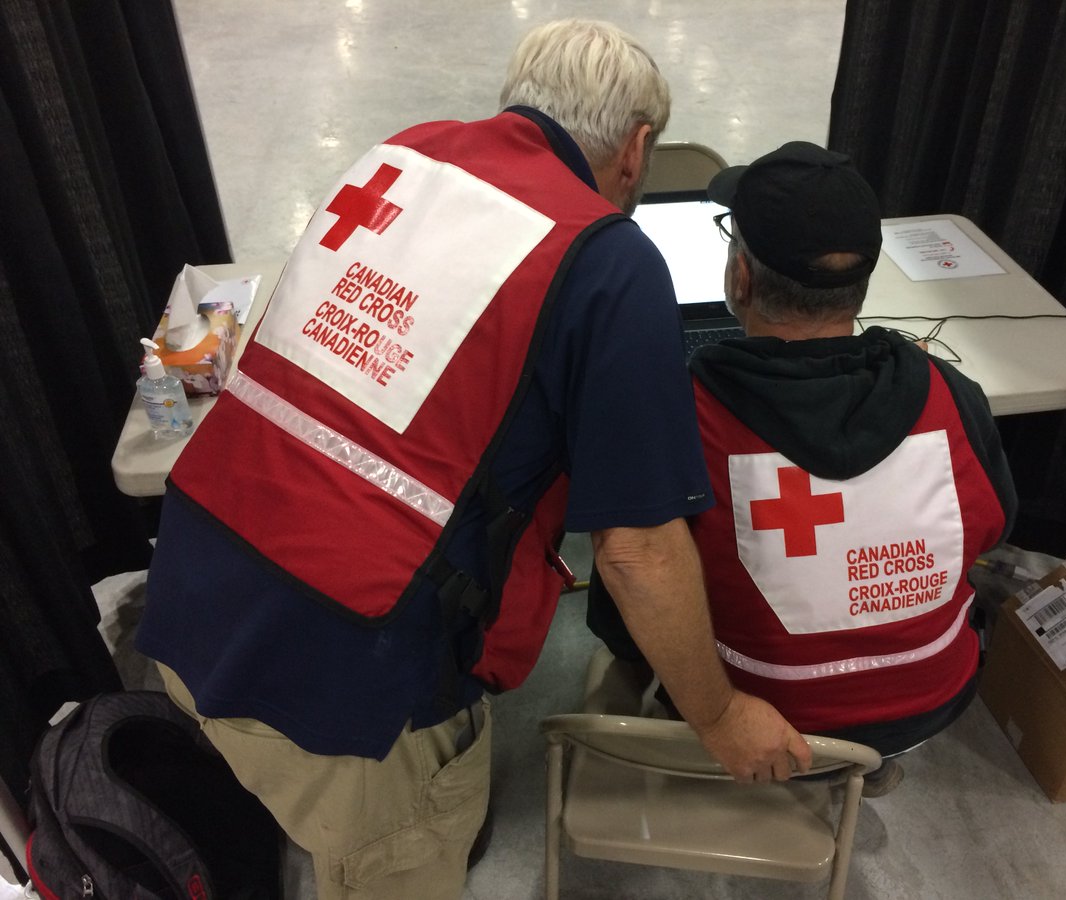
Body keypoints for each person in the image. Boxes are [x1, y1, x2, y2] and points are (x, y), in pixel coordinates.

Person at [136, 20, 808, 900]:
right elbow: (637, 549)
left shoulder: (406, 158)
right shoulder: (608, 258)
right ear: (638, 150)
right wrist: (718, 716)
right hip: (345, 691)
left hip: (191, 589)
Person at [589, 140, 1017, 795]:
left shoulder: (680, 418)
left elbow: (632, 610)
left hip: (762, 717)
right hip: (932, 701)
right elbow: (992, 529)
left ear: (740, 278)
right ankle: (865, 758)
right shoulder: (951, 394)